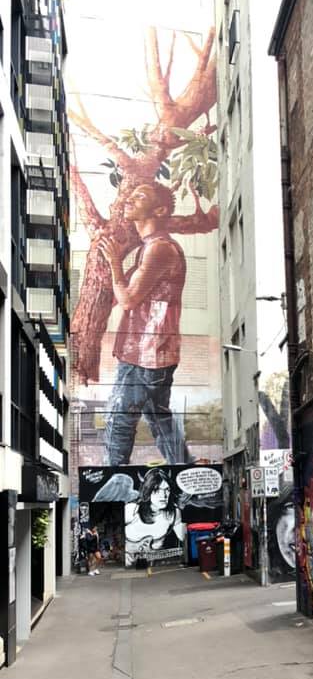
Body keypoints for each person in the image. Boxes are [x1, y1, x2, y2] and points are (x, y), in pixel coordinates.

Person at [98, 182, 192, 466]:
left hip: (144, 352)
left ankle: (114, 480)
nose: (129, 199)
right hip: (157, 351)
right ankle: (183, 471)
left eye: (139, 196)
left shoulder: (160, 249)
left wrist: (114, 262)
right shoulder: (152, 247)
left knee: (119, 418)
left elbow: (128, 300)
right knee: (159, 419)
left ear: (159, 210)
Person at [125, 469, 185, 566]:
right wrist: (122, 554)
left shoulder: (173, 513)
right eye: (157, 490)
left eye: (167, 489)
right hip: (128, 564)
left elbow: (183, 538)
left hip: (155, 565)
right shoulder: (132, 510)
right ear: (148, 490)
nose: (164, 495)